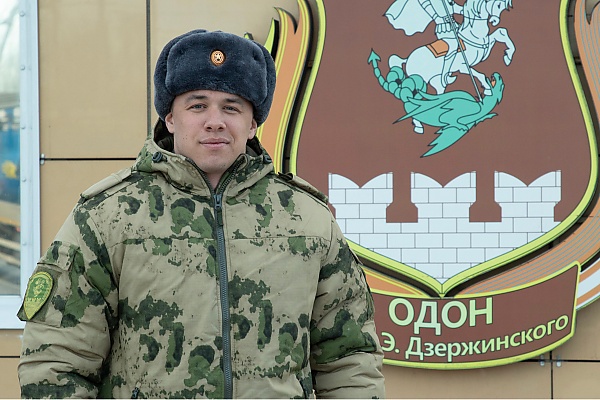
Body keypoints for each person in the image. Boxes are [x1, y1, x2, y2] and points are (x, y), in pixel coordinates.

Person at [17, 29, 385, 398]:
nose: (215, 121)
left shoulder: (308, 220)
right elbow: (56, 361)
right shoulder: (108, 217)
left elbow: (349, 359)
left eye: (231, 107)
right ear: (170, 118)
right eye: (197, 105)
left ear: (253, 123)